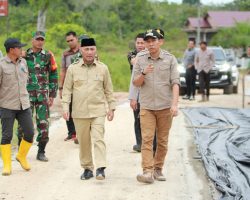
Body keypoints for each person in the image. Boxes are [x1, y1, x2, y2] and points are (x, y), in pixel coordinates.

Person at [62, 38, 116, 181]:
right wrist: (65, 107)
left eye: (92, 49)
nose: (90, 52)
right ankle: (87, 168)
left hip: (98, 110)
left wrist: (112, 107)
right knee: (84, 142)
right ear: (81, 50)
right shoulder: (73, 69)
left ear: (95, 50)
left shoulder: (103, 68)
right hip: (79, 112)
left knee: (99, 138)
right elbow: (67, 90)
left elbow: (108, 90)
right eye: (86, 49)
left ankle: (100, 168)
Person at [133, 29, 180, 184]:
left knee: (162, 141)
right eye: (147, 41)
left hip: (165, 107)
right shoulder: (140, 59)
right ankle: (147, 171)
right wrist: (144, 73)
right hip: (146, 106)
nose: (150, 44)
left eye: (153, 40)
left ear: (161, 42)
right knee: (146, 139)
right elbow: (136, 83)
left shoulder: (170, 59)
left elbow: (175, 83)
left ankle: (158, 168)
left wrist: (174, 104)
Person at [17, 31, 58, 161]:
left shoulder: (48, 56)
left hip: (42, 95)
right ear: (32, 40)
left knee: (44, 125)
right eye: (38, 39)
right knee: (23, 126)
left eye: (42, 39)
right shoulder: (23, 55)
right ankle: (21, 151)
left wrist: (52, 93)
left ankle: (41, 151)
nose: (40, 42)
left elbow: (53, 74)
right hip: (25, 95)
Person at [0, 38, 35, 176]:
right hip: (7, 105)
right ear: (11, 50)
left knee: (30, 132)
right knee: (6, 135)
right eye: (19, 48)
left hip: (24, 105)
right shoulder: (1, 65)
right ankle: (7, 165)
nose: (22, 50)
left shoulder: (23, 62)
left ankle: (21, 156)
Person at [60, 31, 80, 143]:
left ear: (76, 39)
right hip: (69, 85)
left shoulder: (84, 50)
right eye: (68, 41)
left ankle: (82, 132)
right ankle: (71, 133)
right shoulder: (65, 54)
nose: (70, 42)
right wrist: (60, 87)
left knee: (80, 108)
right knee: (68, 107)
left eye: (71, 40)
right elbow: (63, 70)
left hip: (82, 85)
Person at [128, 33, 145, 152]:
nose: (140, 45)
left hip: (148, 89)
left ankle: (149, 143)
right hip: (136, 88)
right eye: (138, 43)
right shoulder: (132, 54)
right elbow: (134, 62)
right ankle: (139, 143)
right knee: (137, 117)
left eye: (142, 43)